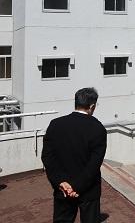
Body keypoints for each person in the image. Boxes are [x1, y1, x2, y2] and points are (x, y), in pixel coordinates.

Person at [41, 88, 107, 223]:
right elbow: (94, 165)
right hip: (89, 190)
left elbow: (47, 157)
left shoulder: (55, 124)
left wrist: (62, 183)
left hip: (62, 189)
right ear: (92, 106)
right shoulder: (97, 128)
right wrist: (76, 186)